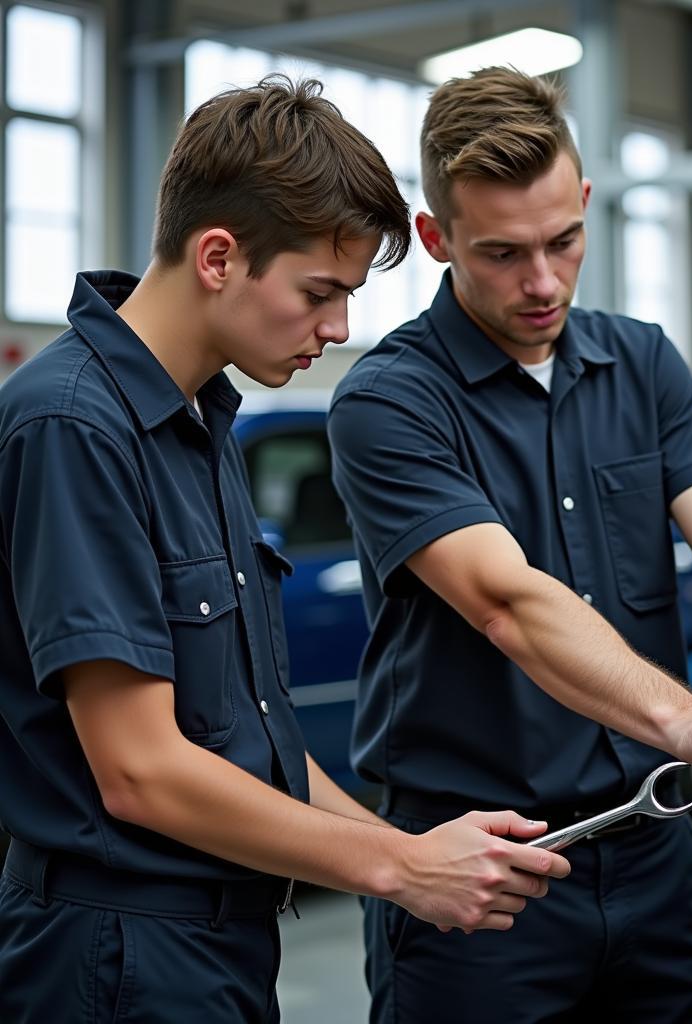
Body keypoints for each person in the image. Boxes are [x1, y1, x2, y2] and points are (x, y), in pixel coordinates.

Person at [0, 76, 569, 1024]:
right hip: (113, 959)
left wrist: (410, 854)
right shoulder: (74, 427)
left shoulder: (201, 420)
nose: (339, 328)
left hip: (214, 944)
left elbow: (250, 742)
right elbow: (140, 770)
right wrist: (402, 865)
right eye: (320, 292)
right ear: (218, 256)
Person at [328, 67, 692, 1023]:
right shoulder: (390, 402)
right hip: (482, 877)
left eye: (564, 242)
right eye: (502, 253)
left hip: (652, 854)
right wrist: (689, 720)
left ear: (588, 203)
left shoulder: (642, 361)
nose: (542, 281)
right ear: (436, 239)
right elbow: (505, 602)